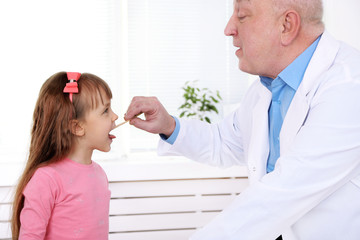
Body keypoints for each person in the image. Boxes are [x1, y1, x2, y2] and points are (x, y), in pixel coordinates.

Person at [124, 0, 360, 239]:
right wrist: (169, 126)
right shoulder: (265, 90)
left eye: (242, 16)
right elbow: (224, 142)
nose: (229, 29)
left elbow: (285, 190)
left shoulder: (350, 87)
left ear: (287, 25)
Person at [11, 72, 118, 239]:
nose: (115, 116)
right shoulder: (47, 179)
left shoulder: (99, 174)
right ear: (77, 127)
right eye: (105, 110)